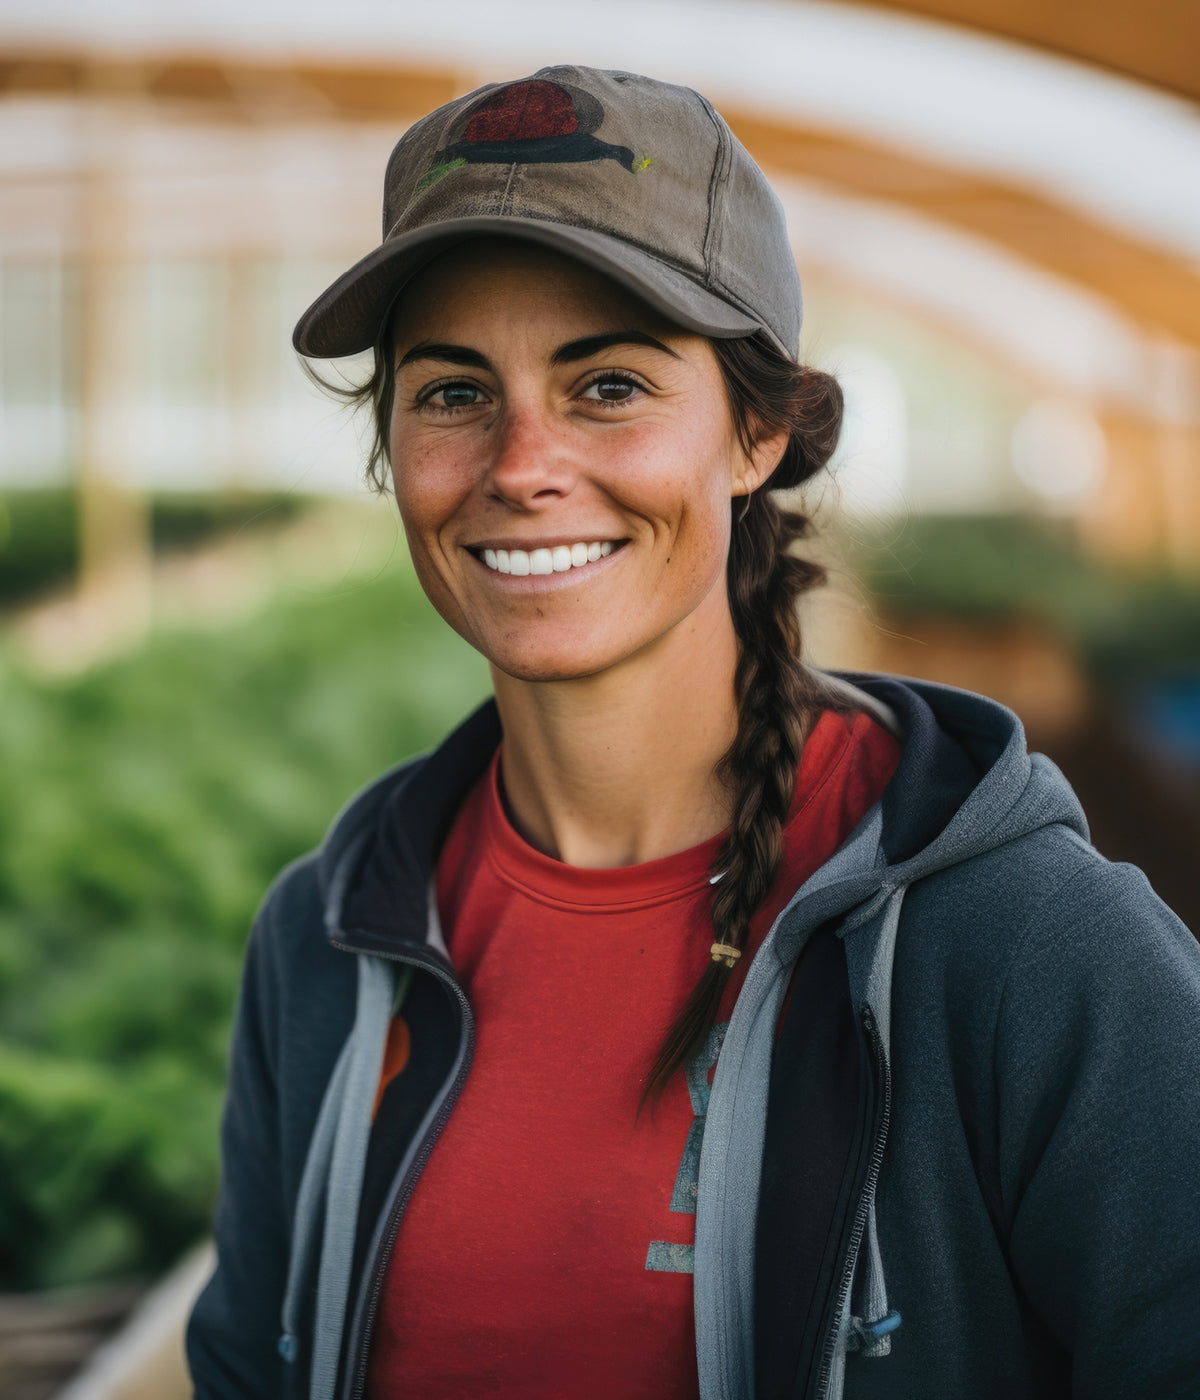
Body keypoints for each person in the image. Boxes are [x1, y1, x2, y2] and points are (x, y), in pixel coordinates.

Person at [186, 66, 1200, 1400]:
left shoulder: (1020, 951)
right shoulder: (328, 941)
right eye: (450, 392)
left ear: (759, 434)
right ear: (389, 447)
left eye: (607, 384)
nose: (520, 463)